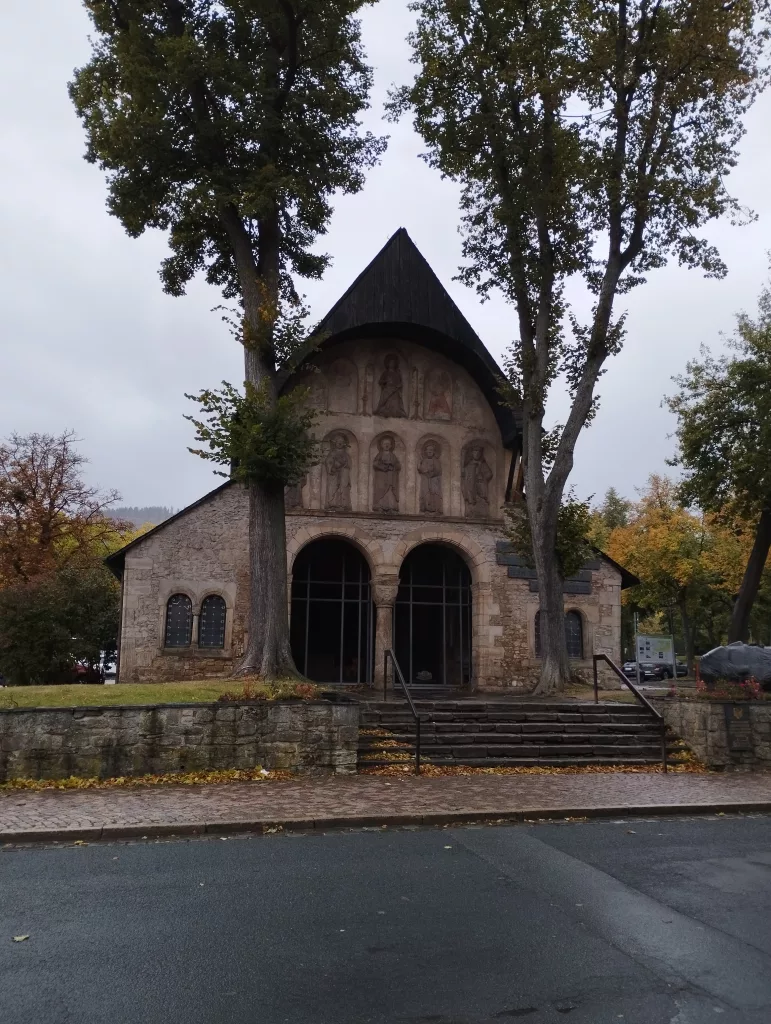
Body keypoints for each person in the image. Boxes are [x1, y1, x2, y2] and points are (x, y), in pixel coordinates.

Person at [372, 436, 401, 512]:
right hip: (381, 477)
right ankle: (380, 506)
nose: (387, 445)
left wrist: (392, 466)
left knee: (390, 491)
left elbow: (398, 465)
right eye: (385, 444)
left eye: (388, 444)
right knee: (380, 490)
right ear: (381, 445)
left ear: (391, 446)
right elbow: (375, 464)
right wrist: (383, 466)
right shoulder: (379, 455)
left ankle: (391, 507)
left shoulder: (393, 456)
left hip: (390, 477)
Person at [418, 441, 443, 514]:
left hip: (434, 482)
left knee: (434, 495)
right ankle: (426, 509)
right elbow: (421, 469)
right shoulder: (424, 461)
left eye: (431, 450)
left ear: (434, 452)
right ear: (425, 451)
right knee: (426, 494)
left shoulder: (436, 461)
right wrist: (421, 468)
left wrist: (431, 472)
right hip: (425, 481)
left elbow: (438, 470)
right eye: (428, 450)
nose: (429, 451)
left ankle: (435, 510)